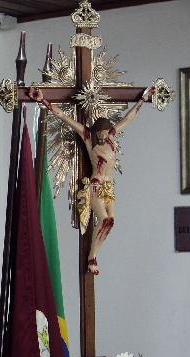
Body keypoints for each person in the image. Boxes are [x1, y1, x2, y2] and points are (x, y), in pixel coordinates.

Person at [30, 85, 153, 275]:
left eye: (105, 131)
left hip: (109, 185)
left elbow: (129, 118)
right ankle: (92, 256)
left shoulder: (112, 136)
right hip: (95, 185)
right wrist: (43, 101)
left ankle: (94, 255)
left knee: (111, 222)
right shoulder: (88, 137)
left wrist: (143, 100)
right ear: (95, 132)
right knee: (104, 220)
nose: (103, 135)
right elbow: (64, 118)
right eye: (100, 132)